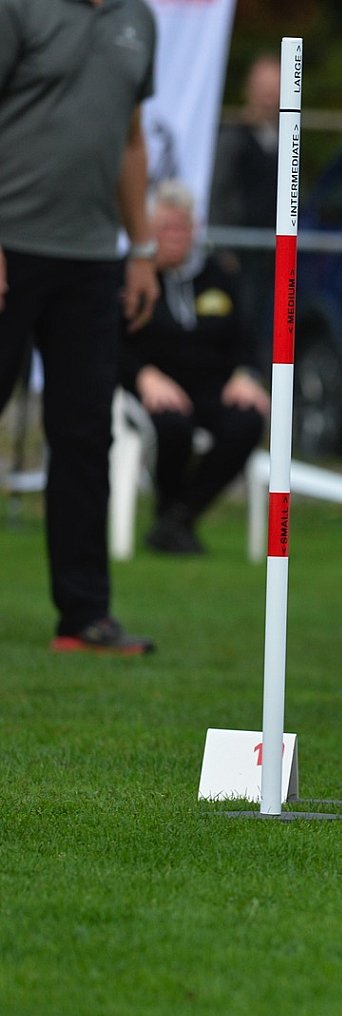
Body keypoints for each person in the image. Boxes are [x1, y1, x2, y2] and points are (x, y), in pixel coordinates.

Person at [0, 0, 160, 655]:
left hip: (94, 259)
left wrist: (142, 249)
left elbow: (130, 139)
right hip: (11, 245)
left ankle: (85, 616)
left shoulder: (138, 20)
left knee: (86, 436)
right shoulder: (19, 8)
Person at [122, 180, 268, 555]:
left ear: (195, 229)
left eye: (182, 227)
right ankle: (171, 517)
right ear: (148, 231)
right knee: (173, 426)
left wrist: (246, 374)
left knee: (248, 419)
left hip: (212, 386)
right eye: (166, 227)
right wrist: (143, 375)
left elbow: (247, 337)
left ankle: (179, 516)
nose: (175, 236)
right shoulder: (132, 277)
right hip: (154, 387)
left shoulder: (221, 274)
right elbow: (110, 342)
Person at [208, 52, 279, 354]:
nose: (268, 97)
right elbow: (218, 191)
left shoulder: (284, 141)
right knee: (238, 320)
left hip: (271, 253)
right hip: (239, 251)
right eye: (263, 89)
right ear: (249, 90)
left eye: (275, 90)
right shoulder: (233, 139)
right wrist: (224, 246)